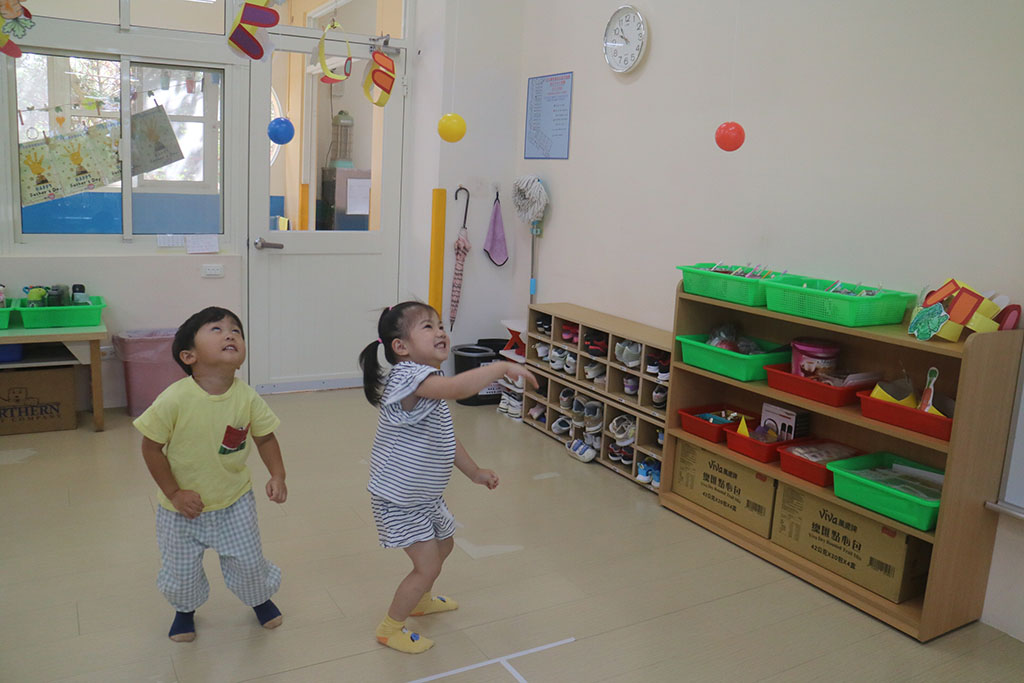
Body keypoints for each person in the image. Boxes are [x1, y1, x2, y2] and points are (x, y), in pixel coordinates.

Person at [358, 302, 537, 654]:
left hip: (425, 495)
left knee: (445, 545)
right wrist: (500, 366)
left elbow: (445, 438)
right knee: (426, 566)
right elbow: (457, 388)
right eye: (428, 327)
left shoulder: (429, 383)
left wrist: (475, 472)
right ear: (401, 347)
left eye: (440, 325)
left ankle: (421, 601)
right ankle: (390, 627)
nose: (440, 332)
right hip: (400, 499)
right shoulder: (407, 376)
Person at [134, 307, 287, 643]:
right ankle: (184, 611)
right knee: (182, 572)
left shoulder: (247, 396)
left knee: (249, 563)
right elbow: (151, 448)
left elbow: (265, 437)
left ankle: (259, 599)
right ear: (189, 356)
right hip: (181, 510)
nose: (230, 334)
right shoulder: (174, 399)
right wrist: (175, 493)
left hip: (234, 500)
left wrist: (278, 474)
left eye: (236, 330)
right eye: (216, 329)